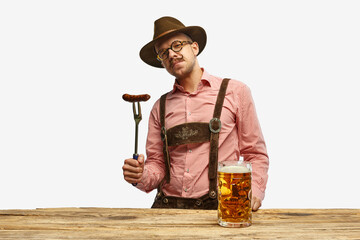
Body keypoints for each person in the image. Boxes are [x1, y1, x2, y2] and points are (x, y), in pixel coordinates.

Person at [122, 16, 269, 211]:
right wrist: (140, 175)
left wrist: (255, 191)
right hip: (167, 209)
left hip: (220, 208)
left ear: (194, 48)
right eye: (163, 53)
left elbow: (255, 154)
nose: (171, 55)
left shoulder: (235, 92)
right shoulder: (160, 106)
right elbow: (157, 165)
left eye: (177, 45)